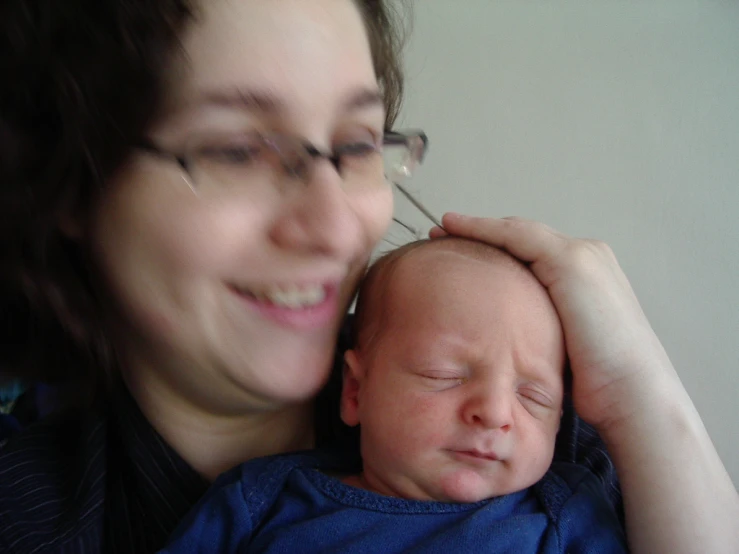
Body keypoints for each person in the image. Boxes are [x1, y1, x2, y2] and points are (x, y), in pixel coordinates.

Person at [0, 0, 736, 553]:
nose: (335, 224)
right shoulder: (26, 513)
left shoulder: (525, 449)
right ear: (70, 183)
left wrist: (643, 392)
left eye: (355, 144)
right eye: (236, 150)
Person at [160, 237, 628, 553]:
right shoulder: (261, 502)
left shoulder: (564, 511)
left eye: (534, 396)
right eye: (444, 374)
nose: (495, 412)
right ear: (355, 390)